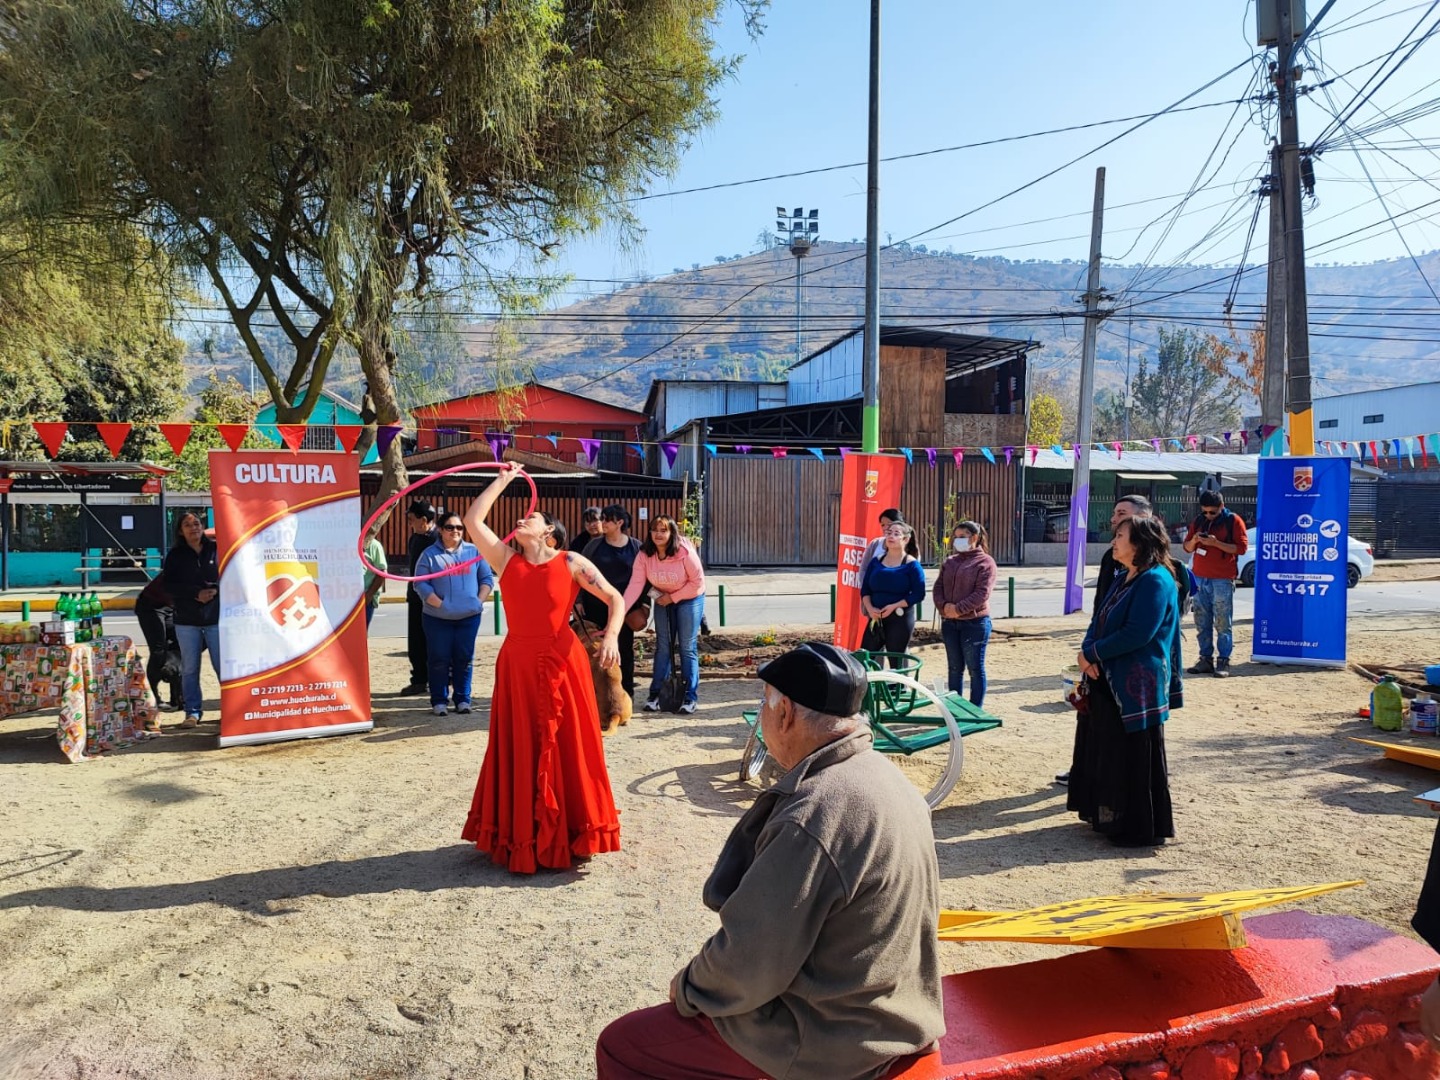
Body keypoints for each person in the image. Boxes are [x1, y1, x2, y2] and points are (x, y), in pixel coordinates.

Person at [595, 642, 944, 1080]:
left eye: (764, 703)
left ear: (786, 715)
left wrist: (687, 988)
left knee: (622, 1046)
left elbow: (752, 959)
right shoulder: (888, 777)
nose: (761, 715)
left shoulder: (815, 813)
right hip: (896, 1010)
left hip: (833, 1039)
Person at [460, 463, 625, 873]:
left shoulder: (571, 562)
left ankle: (572, 831)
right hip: (516, 663)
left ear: (548, 532)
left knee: (569, 744)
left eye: (530, 517)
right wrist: (503, 480)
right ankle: (521, 835)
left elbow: (615, 599)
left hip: (561, 661)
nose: (521, 519)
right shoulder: (505, 561)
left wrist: (611, 637)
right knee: (519, 744)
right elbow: (471, 520)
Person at [1067, 515, 1182, 848]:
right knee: (1107, 752)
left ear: (1140, 543)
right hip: (1106, 677)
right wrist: (1088, 652)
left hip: (1136, 685)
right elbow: (1100, 619)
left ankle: (1135, 827)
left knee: (1133, 756)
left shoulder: (1156, 580)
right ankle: (1108, 818)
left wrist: (1093, 654)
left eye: (1121, 535)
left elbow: (1138, 633)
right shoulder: (1124, 576)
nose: (1114, 541)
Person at [1057, 494, 1155, 787]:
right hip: (1097, 660)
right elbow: (1101, 607)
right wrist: (1088, 652)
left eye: (1122, 514)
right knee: (1088, 718)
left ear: (1143, 519)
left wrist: (1099, 652)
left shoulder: (1157, 571)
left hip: (1127, 665)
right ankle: (1082, 771)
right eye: (1114, 514)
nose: (1114, 520)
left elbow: (1142, 628)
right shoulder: (1110, 558)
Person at [413, 511, 494, 717]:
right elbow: (420, 583)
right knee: (439, 658)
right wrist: (438, 603)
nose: (455, 531)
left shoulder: (474, 551)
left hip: (469, 617)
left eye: (459, 527)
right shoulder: (429, 555)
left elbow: (486, 579)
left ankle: (463, 699)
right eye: (450, 527)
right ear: (440, 530)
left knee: (464, 658)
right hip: (437, 619)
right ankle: (439, 701)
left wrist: (478, 601)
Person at [622, 516, 705, 714]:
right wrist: (620, 610)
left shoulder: (683, 552)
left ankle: (689, 697)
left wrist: (673, 597)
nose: (658, 534)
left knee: (686, 647)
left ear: (671, 533)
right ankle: (656, 694)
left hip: (689, 598)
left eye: (663, 530)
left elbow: (698, 583)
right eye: (655, 530)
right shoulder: (644, 554)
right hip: (662, 598)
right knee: (663, 646)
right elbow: (635, 584)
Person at [580, 504, 647, 701]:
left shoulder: (636, 547)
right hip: (595, 607)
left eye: (607, 519)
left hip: (624, 609)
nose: (602, 523)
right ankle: (596, 695)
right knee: (595, 651)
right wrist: (579, 600)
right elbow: (580, 573)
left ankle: (626, 694)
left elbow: (645, 578)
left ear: (619, 523)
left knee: (624, 650)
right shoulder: (593, 546)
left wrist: (644, 605)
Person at [162, 512, 220, 729]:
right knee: (189, 668)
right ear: (180, 531)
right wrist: (195, 593)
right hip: (187, 620)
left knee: (222, 666)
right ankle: (192, 713)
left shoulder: (216, 549)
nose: (193, 527)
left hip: (216, 617)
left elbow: (231, 576)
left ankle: (231, 711)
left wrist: (215, 590)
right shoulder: (175, 555)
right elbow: (168, 586)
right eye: (187, 524)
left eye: (196, 523)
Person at [1183, 490, 1247, 678]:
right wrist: (1195, 540)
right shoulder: (1199, 521)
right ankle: (1205, 660)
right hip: (1200, 578)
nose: (1209, 515)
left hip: (1222, 579)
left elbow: (1241, 549)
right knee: (1201, 621)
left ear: (1222, 506)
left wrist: (1216, 543)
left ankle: (1224, 661)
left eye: (1213, 512)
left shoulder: (1233, 521)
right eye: (1205, 512)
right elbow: (1186, 547)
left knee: (1222, 621)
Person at [932, 519, 997, 706]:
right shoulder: (950, 562)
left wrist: (958, 610)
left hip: (974, 623)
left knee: (975, 669)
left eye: (963, 537)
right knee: (954, 668)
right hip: (950, 624)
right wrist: (944, 607)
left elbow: (982, 593)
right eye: (956, 537)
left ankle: (976, 709)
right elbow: (938, 587)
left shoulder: (985, 562)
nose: (958, 540)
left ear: (974, 537)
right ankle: (955, 708)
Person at [859, 519, 925, 666]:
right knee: (864, 657)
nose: (891, 536)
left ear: (906, 539)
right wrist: (870, 609)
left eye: (896, 533)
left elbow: (918, 594)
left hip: (900, 619)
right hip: (876, 617)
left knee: (896, 661)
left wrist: (894, 606)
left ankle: (898, 688)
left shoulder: (911, 564)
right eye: (888, 533)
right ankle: (869, 688)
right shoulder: (876, 561)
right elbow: (865, 590)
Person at [134, 571, 181, 725]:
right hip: (150, 605)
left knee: (179, 645)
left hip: (169, 606)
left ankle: (177, 697)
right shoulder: (182, 562)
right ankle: (153, 696)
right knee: (158, 649)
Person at [401, 501, 438, 696]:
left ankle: (438, 680)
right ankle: (419, 679)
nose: (410, 524)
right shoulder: (414, 538)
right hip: (415, 596)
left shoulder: (438, 540)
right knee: (415, 640)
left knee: (434, 640)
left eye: (411, 520)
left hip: (433, 597)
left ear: (424, 520)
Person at [857, 507, 903, 586]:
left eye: (889, 524)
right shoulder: (875, 544)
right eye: (882, 525)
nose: (885, 528)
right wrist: (866, 592)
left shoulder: (909, 548)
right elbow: (864, 569)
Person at [362, 524, 387, 628]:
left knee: (361, 633)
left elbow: (382, 573)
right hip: (347, 597)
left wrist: (369, 595)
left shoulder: (374, 546)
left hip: (365, 598)